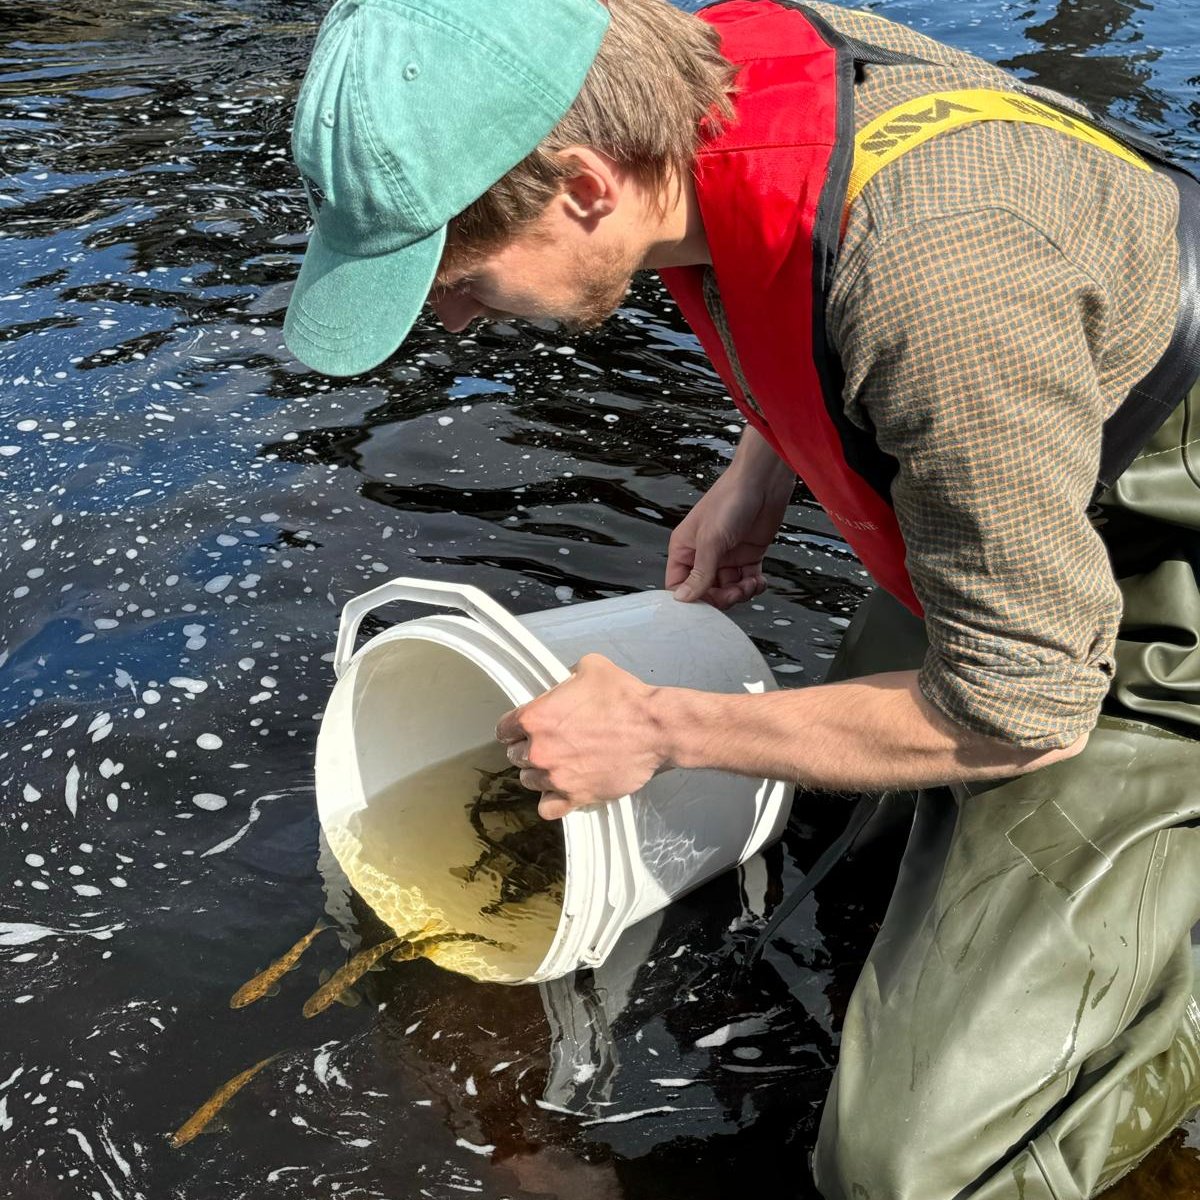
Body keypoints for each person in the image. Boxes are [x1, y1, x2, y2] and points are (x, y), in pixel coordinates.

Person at [282, 0, 1200, 1195]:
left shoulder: (943, 266)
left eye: (458, 271)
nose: (449, 317)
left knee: (903, 1168)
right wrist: (761, 466)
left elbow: (1022, 708)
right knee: (838, 854)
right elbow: (810, 275)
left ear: (585, 185)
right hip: (1030, 474)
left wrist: (665, 729)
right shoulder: (687, 82)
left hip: (1151, 570)